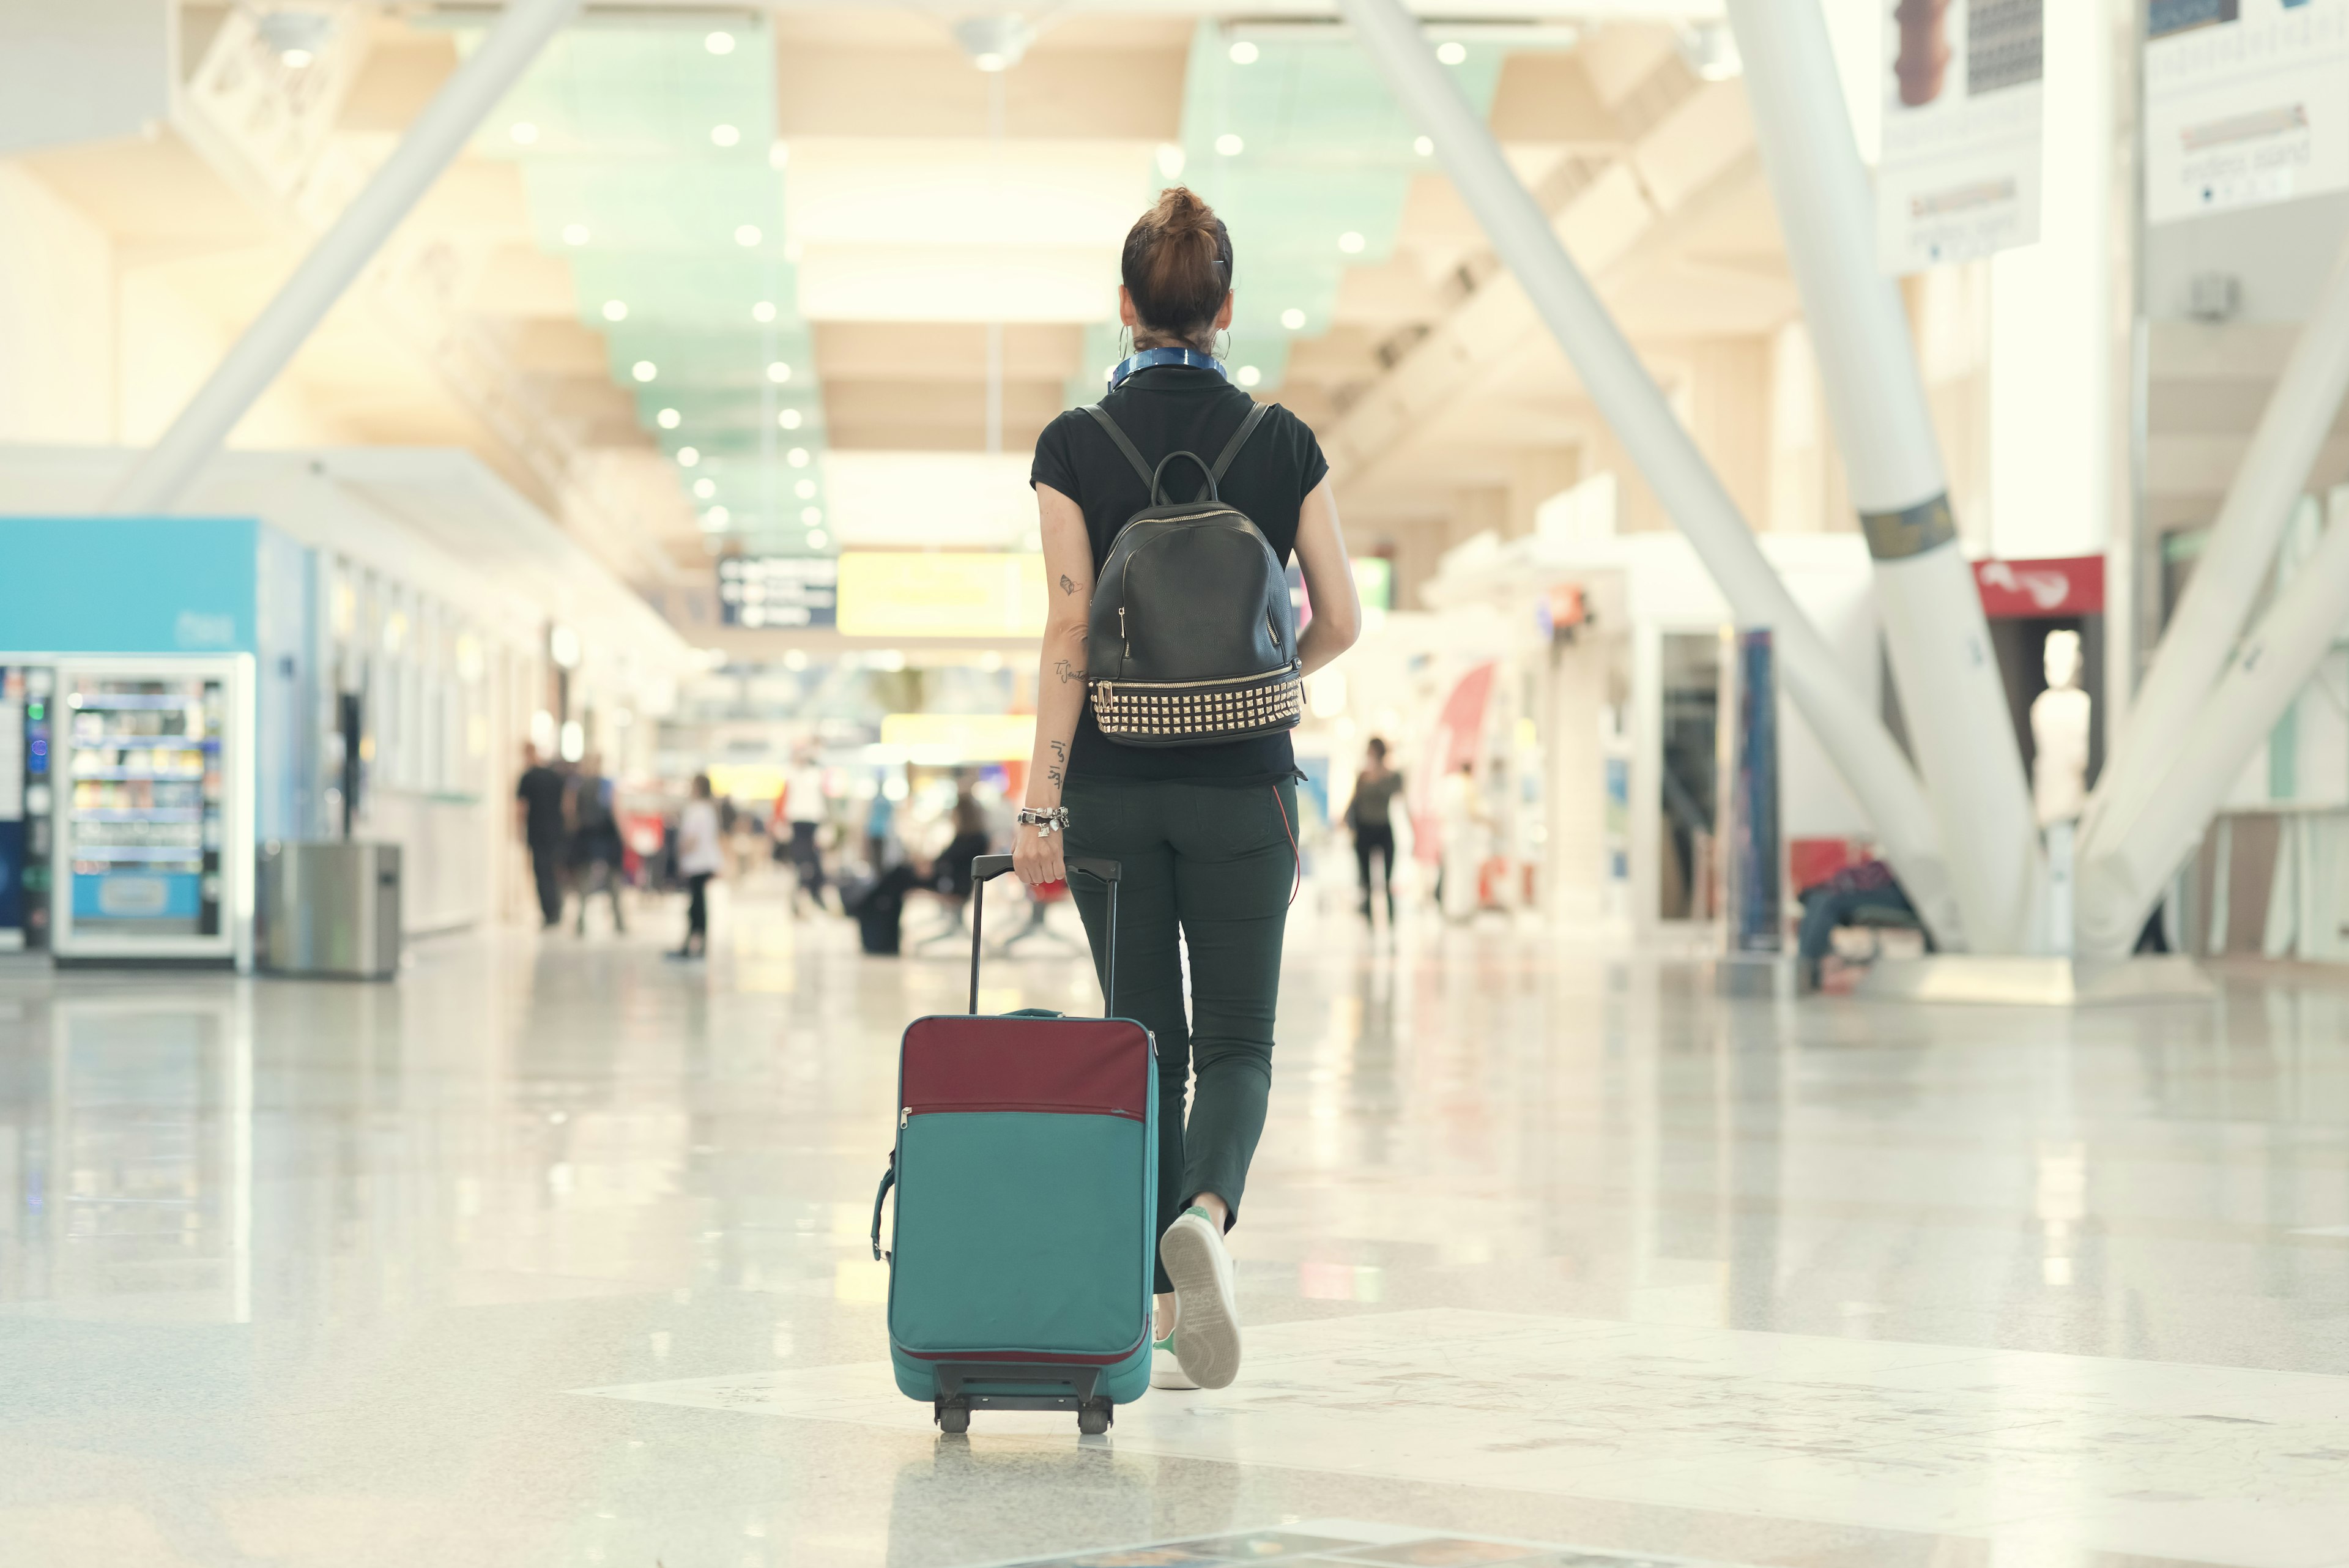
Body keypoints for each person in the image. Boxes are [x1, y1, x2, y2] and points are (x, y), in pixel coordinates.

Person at [1015, 186, 1361, 1395]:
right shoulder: (1281, 441)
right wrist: (1271, 683)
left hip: (1109, 785)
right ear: (1225, 310)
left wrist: (1039, 802)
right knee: (1240, 1045)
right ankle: (1206, 1215)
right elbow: (1343, 616)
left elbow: (1069, 624)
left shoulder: (1071, 447)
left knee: (1147, 1044)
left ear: (1123, 307)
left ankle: (1159, 1309)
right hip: (1244, 792)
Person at [1346, 738, 1403, 926]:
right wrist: (1348, 825)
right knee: (1366, 878)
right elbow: (1355, 802)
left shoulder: (1392, 776)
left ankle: (1391, 916)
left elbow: (1399, 795)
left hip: (1383, 827)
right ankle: (1369, 916)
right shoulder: (1363, 776)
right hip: (1365, 828)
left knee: (1387, 878)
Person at [568, 751, 626, 936]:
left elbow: (570, 811)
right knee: (613, 879)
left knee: (584, 879)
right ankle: (618, 921)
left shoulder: (577, 784)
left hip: (585, 836)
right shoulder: (608, 784)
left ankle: (581, 920)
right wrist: (625, 837)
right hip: (607, 836)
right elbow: (617, 811)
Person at [514, 743, 568, 929]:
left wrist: (519, 831)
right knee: (555, 872)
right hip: (556, 831)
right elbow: (566, 806)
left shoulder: (528, 777)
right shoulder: (555, 777)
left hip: (537, 832)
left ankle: (549, 913)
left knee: (542, 873)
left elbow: (521, 808)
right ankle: (557, 910)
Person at [669, 774, 722, 960]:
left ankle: (692, 943)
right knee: (699, 903)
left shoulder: (696, 811)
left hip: (696, 863)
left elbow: (691, 839)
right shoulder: (709, 810)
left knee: (696, 906)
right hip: (706, 862)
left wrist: (680, 856)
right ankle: (698, 943)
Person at [782, 752, 829, 915]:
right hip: (799, 822)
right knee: (801, 863)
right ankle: (802, 898)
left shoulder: (815, 775)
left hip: (811, 822)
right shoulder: (792, 775)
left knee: (812, 861)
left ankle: (813, 895)